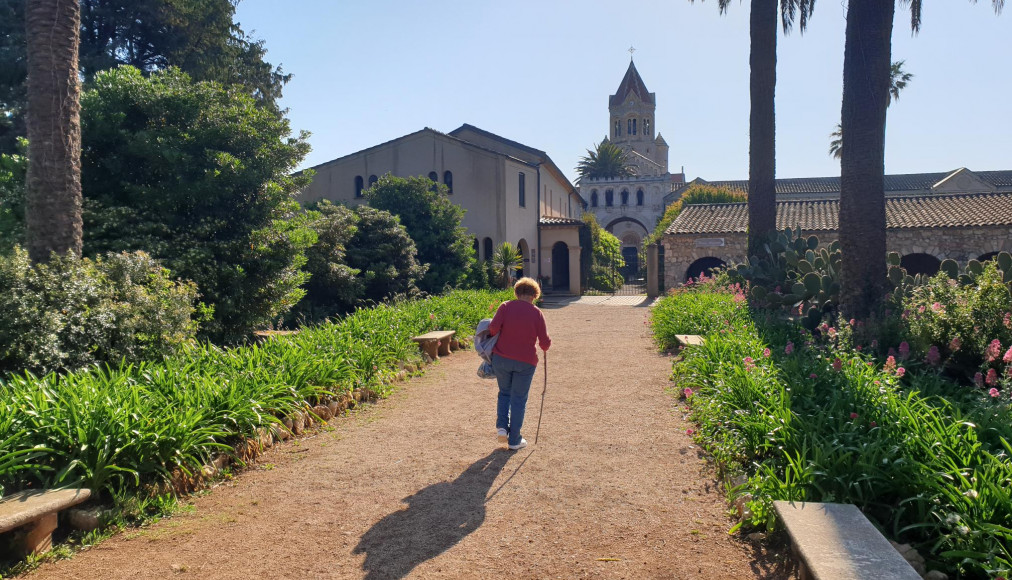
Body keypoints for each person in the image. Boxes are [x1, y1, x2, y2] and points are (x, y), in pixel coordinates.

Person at [488, 277, 551, 450]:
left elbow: (493, 328)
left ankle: (502, 427)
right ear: (534, 294)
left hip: (501, 359)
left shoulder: (505, 306)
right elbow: (544, 343)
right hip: (525, 362)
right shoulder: (537, 313)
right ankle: (515, 440)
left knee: (504, 393)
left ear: (517, 292)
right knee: (519, 399)